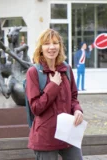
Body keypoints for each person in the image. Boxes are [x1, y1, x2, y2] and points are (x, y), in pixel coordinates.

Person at [25, 28, 83, 160]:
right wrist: (53, 86)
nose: (51, 47)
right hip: (45, 135)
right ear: (41, 48)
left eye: (55, 43)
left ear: (60, 46)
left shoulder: (66, 69)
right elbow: (36, 108)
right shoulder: (33, 72)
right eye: (47, 44)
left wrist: (77, 110)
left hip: (68, 132)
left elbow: (73, 98)